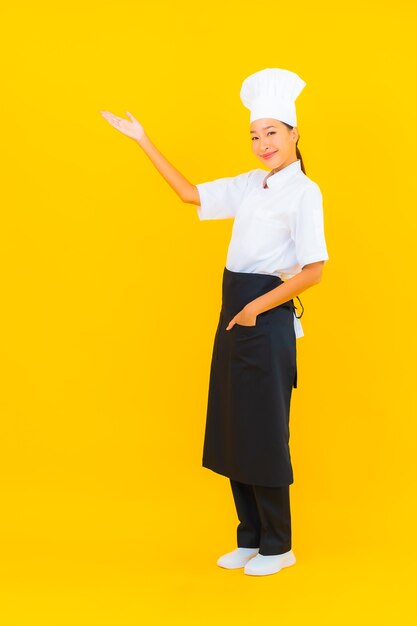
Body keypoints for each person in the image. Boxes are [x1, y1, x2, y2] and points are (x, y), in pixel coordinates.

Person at [100, 66, 329, 577]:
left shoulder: (303, 194)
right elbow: (190, 195)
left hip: (263, 316)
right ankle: (250, 538)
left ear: (294, 134)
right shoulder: (251, 184)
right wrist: (144, 141)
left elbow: (314, 271)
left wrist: (255, 307)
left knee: (265, 430)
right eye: (254, 134)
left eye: (271, 132)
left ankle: (279, 545)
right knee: (233, 425)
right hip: (234, 311)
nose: (262, 142)